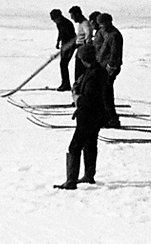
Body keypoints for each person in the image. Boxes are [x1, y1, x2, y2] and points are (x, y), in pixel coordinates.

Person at [54, 43, 107, 190]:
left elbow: (88, 98)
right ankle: (89, 175)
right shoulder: (99, 70)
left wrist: (77, 97)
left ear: (84, 59)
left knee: (75, 146)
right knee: (90, 144)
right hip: (97, 115)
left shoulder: (92, 74)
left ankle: (71, 181)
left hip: (87, 115)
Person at [96, 13, 123, 128]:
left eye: (102, 24)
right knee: (103, 95)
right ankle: (105, 119)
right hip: (103, 67)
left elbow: (114, 55)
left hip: (109, 69)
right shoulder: (106, 33)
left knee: (107, 95)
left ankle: (113, 120)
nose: (101, 26)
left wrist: (109, 69)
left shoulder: (114, 35)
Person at [50, 9, 77, 91]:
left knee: (63, 64)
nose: (54, 21)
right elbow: (60, 33)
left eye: (54, 19)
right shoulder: (59, 24)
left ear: (59, 17)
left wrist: (68, 49)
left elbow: (73, 39)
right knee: (62, 65)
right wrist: (58, 42)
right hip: (64, 45)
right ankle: (65, 83)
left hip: (70, 45)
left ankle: (66, 84)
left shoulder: (68, 24)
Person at [69, 6, 93, 82]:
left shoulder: (85, 23)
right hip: (80, 47)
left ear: (77, 14)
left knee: (80, 70)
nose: (72, 18)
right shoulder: (81, 23)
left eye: (73, 16)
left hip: (83, 47)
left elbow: (88, 33)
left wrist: (85, 46)